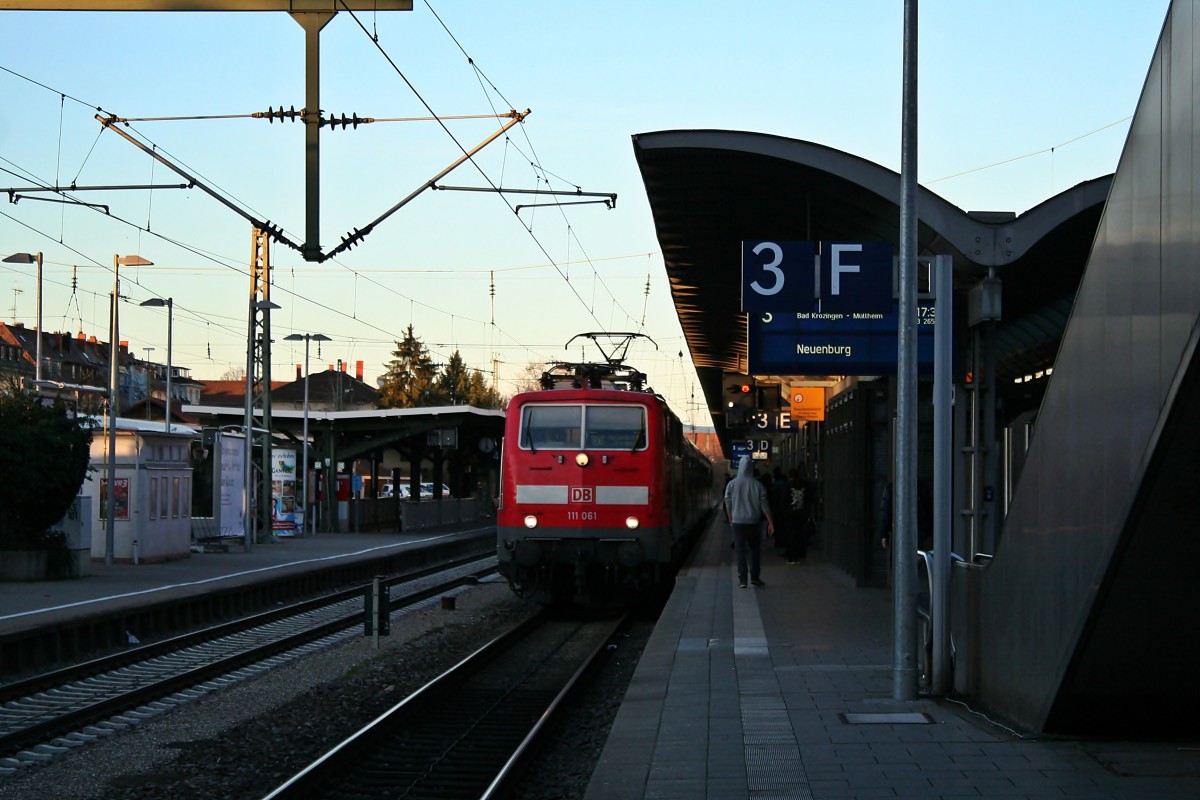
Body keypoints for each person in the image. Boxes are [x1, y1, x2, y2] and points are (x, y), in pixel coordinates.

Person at [724, 456, 775, 588]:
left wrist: (730, 519)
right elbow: (765, 506)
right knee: (755, 550)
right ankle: (755, 577)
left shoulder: (732, 484)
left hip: (738, 523)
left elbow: (728, 503)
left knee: (740, 551)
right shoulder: (758, 485)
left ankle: (742, 580)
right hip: (754, 523)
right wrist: (770, 522)